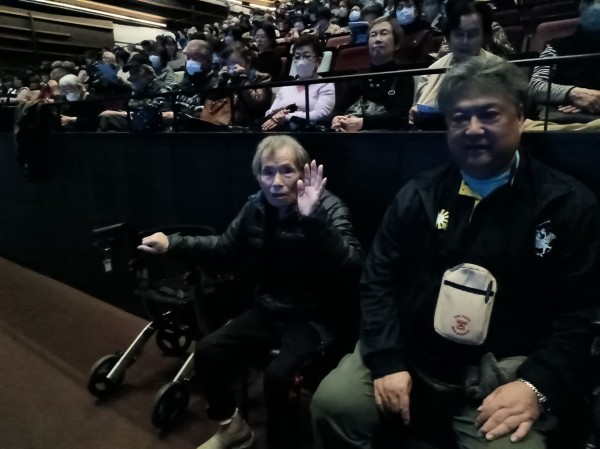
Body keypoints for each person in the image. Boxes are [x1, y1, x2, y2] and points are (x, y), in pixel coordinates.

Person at [311, 56, 600, 449]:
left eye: (489, 114)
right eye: (460, 117)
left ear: (519, 115)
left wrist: (536, 385)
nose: (473, 129)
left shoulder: (567, 204)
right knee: (335, 403)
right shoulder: (419, 195)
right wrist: (386, 360)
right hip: (410, 354)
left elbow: (579, 314)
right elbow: (377, 281)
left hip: (503, 376)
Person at [138, 135, 363, 449]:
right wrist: (172, 243)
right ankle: (233, 428)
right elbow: (223, 246)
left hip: (313, 318)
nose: (276, 182)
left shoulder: (328, 206)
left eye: (287, 171)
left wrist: (315, 220)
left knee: (277, 378)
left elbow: (353, 266)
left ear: (303, 173)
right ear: (259, 176)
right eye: (268, 172)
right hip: (269, 309)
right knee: (208, 350)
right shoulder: (255, 206)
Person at [410, 0, 503, 127]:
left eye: (472, 34)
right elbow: (416, 112)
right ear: (448, 37)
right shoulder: (432, 71)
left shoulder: (499, 69)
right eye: (459, 34)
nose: (465, 41)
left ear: (483, 37)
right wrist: (415, 115)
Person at [331, 17, 414, 131]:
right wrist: (336, 119)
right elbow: (339, 109)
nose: (377, 39)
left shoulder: (403, 77)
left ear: (397, 44)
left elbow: (401, 116)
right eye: (373, 35)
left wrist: (363, 123)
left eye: (384, 33)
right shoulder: (358, 76)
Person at [529, 1, 600, 124]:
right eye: (589, 0)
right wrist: (573, 94)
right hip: (563, 120)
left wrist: (594, 101)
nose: (596, 5)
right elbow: (535, 86)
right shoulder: (557, 46)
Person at [263, 34, 335, 131]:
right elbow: (270, 112)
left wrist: (287, 116)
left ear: (319, 60)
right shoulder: (286, 87)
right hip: (280, 131)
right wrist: (276, 115)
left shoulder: (325, 84)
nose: (301, 62)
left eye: (307, 56)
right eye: (297, 57)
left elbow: (321, 114)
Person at [218, 47, 273, 127]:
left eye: (235, 63)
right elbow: (215, 106)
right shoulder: (227, 79)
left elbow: (258, 106)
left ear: (248, 62)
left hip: (249, 125)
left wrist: (242, 80)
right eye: (227, 65)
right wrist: (221, 83)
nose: (231, 68)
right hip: (224, 123)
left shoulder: (262, 77)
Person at [175, 39, 219, 117]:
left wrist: (177, 116)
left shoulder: (217, 84)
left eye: (195, 57)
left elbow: (208, 116)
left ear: (209, 60)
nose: (190, 62)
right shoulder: (188, 78)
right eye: (188, 57)